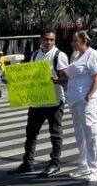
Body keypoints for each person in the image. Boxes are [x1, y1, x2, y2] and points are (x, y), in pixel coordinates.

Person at [9, 30, 69, 177]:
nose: (49, 42)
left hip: (54, 101)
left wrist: (55, 80)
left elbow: (66, 78)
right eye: (46, 39)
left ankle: (55, 163)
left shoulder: (59, 55)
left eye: (52, 40)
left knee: (55, 133)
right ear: (40, 40)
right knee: (31, 133)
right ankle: (27, 163)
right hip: (37, 101)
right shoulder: (35, 55)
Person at [57, 31, 97, 183]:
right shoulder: (75, 56)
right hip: (74, 99)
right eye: (73, 40)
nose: (73, 43)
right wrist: (58, 81)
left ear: (84, 41)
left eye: (76, 40)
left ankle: (95, 167)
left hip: (87, 99)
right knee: (79, 132)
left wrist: (89, 95)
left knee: (90, 131)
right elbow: (71, 77)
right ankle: (83, 164)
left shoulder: (92, 55)